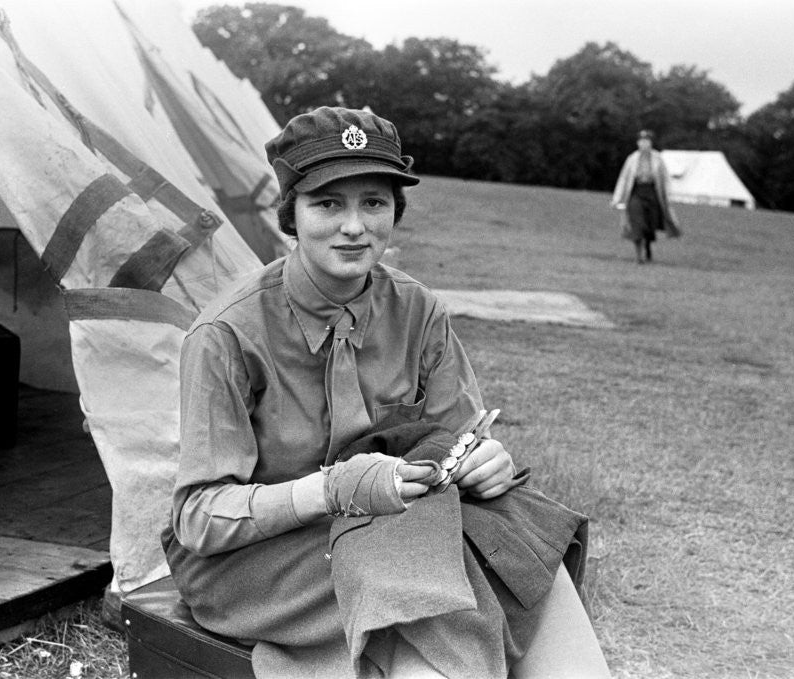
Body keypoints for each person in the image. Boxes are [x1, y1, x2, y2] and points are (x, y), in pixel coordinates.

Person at [163, 106, 611, 678]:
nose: (355, 226)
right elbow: (198, 517)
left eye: (374, 203)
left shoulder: (418, 310)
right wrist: (329, 491)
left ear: (395, 211)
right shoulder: (226, 334)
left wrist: (487, 463)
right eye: (328, 204)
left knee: (521, 545)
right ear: (291, 214)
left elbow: (459, 441)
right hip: (258, 557)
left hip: (396, 528)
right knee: (436, 583)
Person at [611, 129, 681, 263]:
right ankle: (639, 256)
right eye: (641, 141)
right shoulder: (632, 159)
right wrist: (617, 198)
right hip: (636, 192)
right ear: (638, 143)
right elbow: (623, 178)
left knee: (649, 224)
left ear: (651, 143)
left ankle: (647, 246)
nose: (644, 144)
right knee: (637, 223)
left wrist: (669, 196)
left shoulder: (657, 158)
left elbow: (665, 179)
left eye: (646, 141)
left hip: (652, 192)